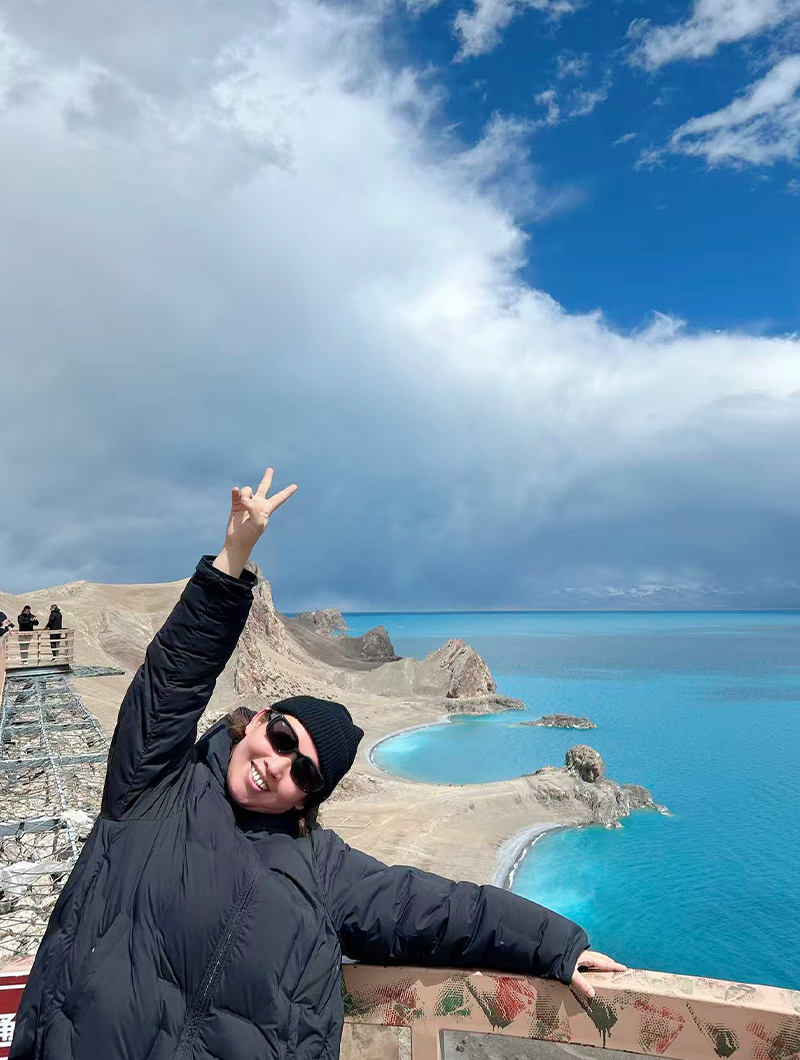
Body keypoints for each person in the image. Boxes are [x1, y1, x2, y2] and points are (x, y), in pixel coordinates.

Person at [11, 468, 624, 1060]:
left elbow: (438, 909)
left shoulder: (326, 873)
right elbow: (171, 680)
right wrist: (232, 560)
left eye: (304, 773)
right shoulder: (153, 787)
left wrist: (556, 944)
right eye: (281, 737)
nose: (279, 766)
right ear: (254, 719)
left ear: (309, 798)